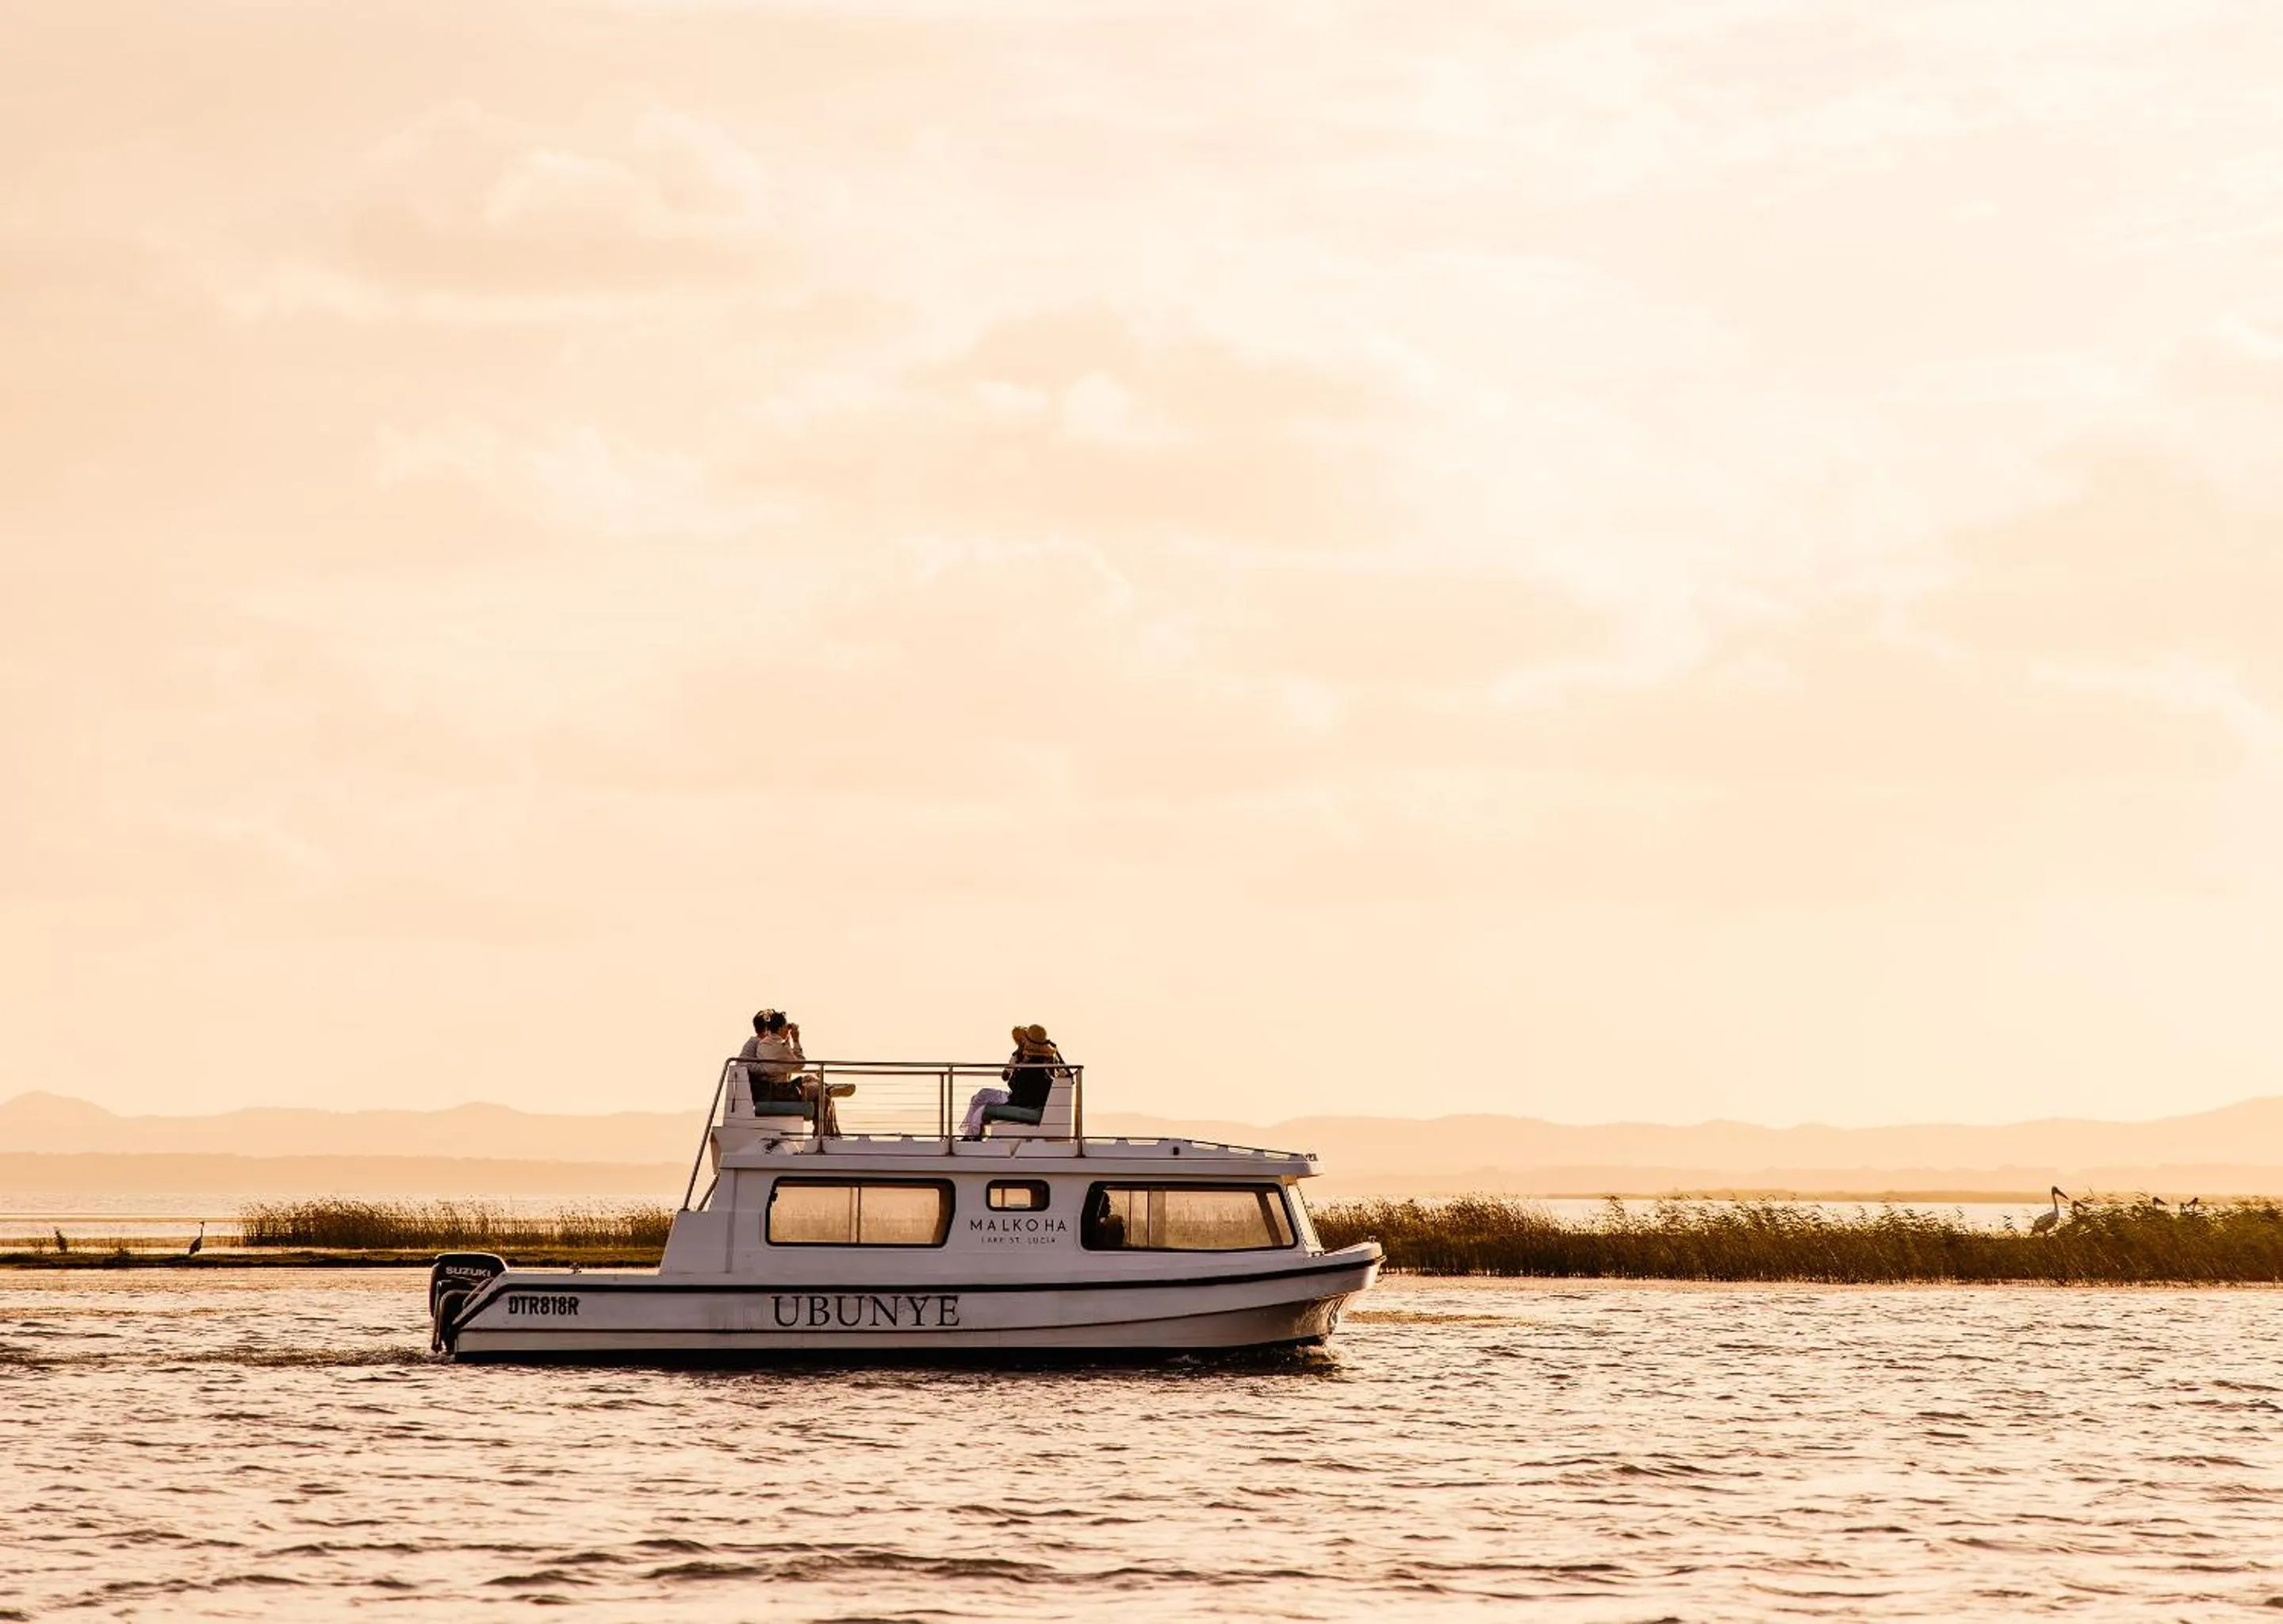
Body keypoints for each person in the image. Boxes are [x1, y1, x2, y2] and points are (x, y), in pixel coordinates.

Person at [737, 1009, 840, 1135]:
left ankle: (826, 1135)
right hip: (777, 1091)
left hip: (777, 1088)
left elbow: (784, 1058)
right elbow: (800, 1063)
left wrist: (768, 1065)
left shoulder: (764, 1044)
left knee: (816, 1087)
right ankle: (824, 1136)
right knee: (822, 1096)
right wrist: (795, 1040)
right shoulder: (759, 1043)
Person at [960, 1023, 1065, 1138]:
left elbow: (1014, 1086)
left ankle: (971, 1137)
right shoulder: (1040, 1063)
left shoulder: (1030, 1066)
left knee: (981, 1109)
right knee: (981, 1097)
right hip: (1025, 1101)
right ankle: (971, 1135)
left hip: (1023, 1104)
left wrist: (1016, 1069)